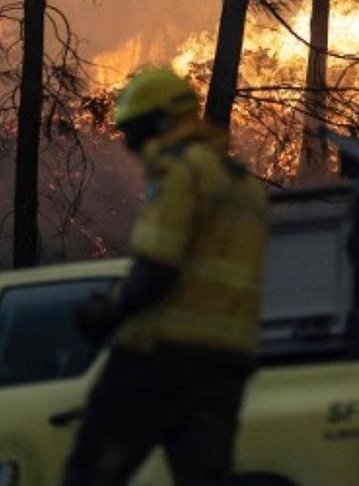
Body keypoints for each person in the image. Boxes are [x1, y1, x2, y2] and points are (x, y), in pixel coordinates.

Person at [62, 66, 269, 486]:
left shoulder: (180, 173)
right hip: (225, 364)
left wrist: (109, 312)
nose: (133, 147)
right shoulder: (244, 185)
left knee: (90, 474)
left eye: (136, 133)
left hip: (157, 359)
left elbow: (157, 267)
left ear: (162, 122)